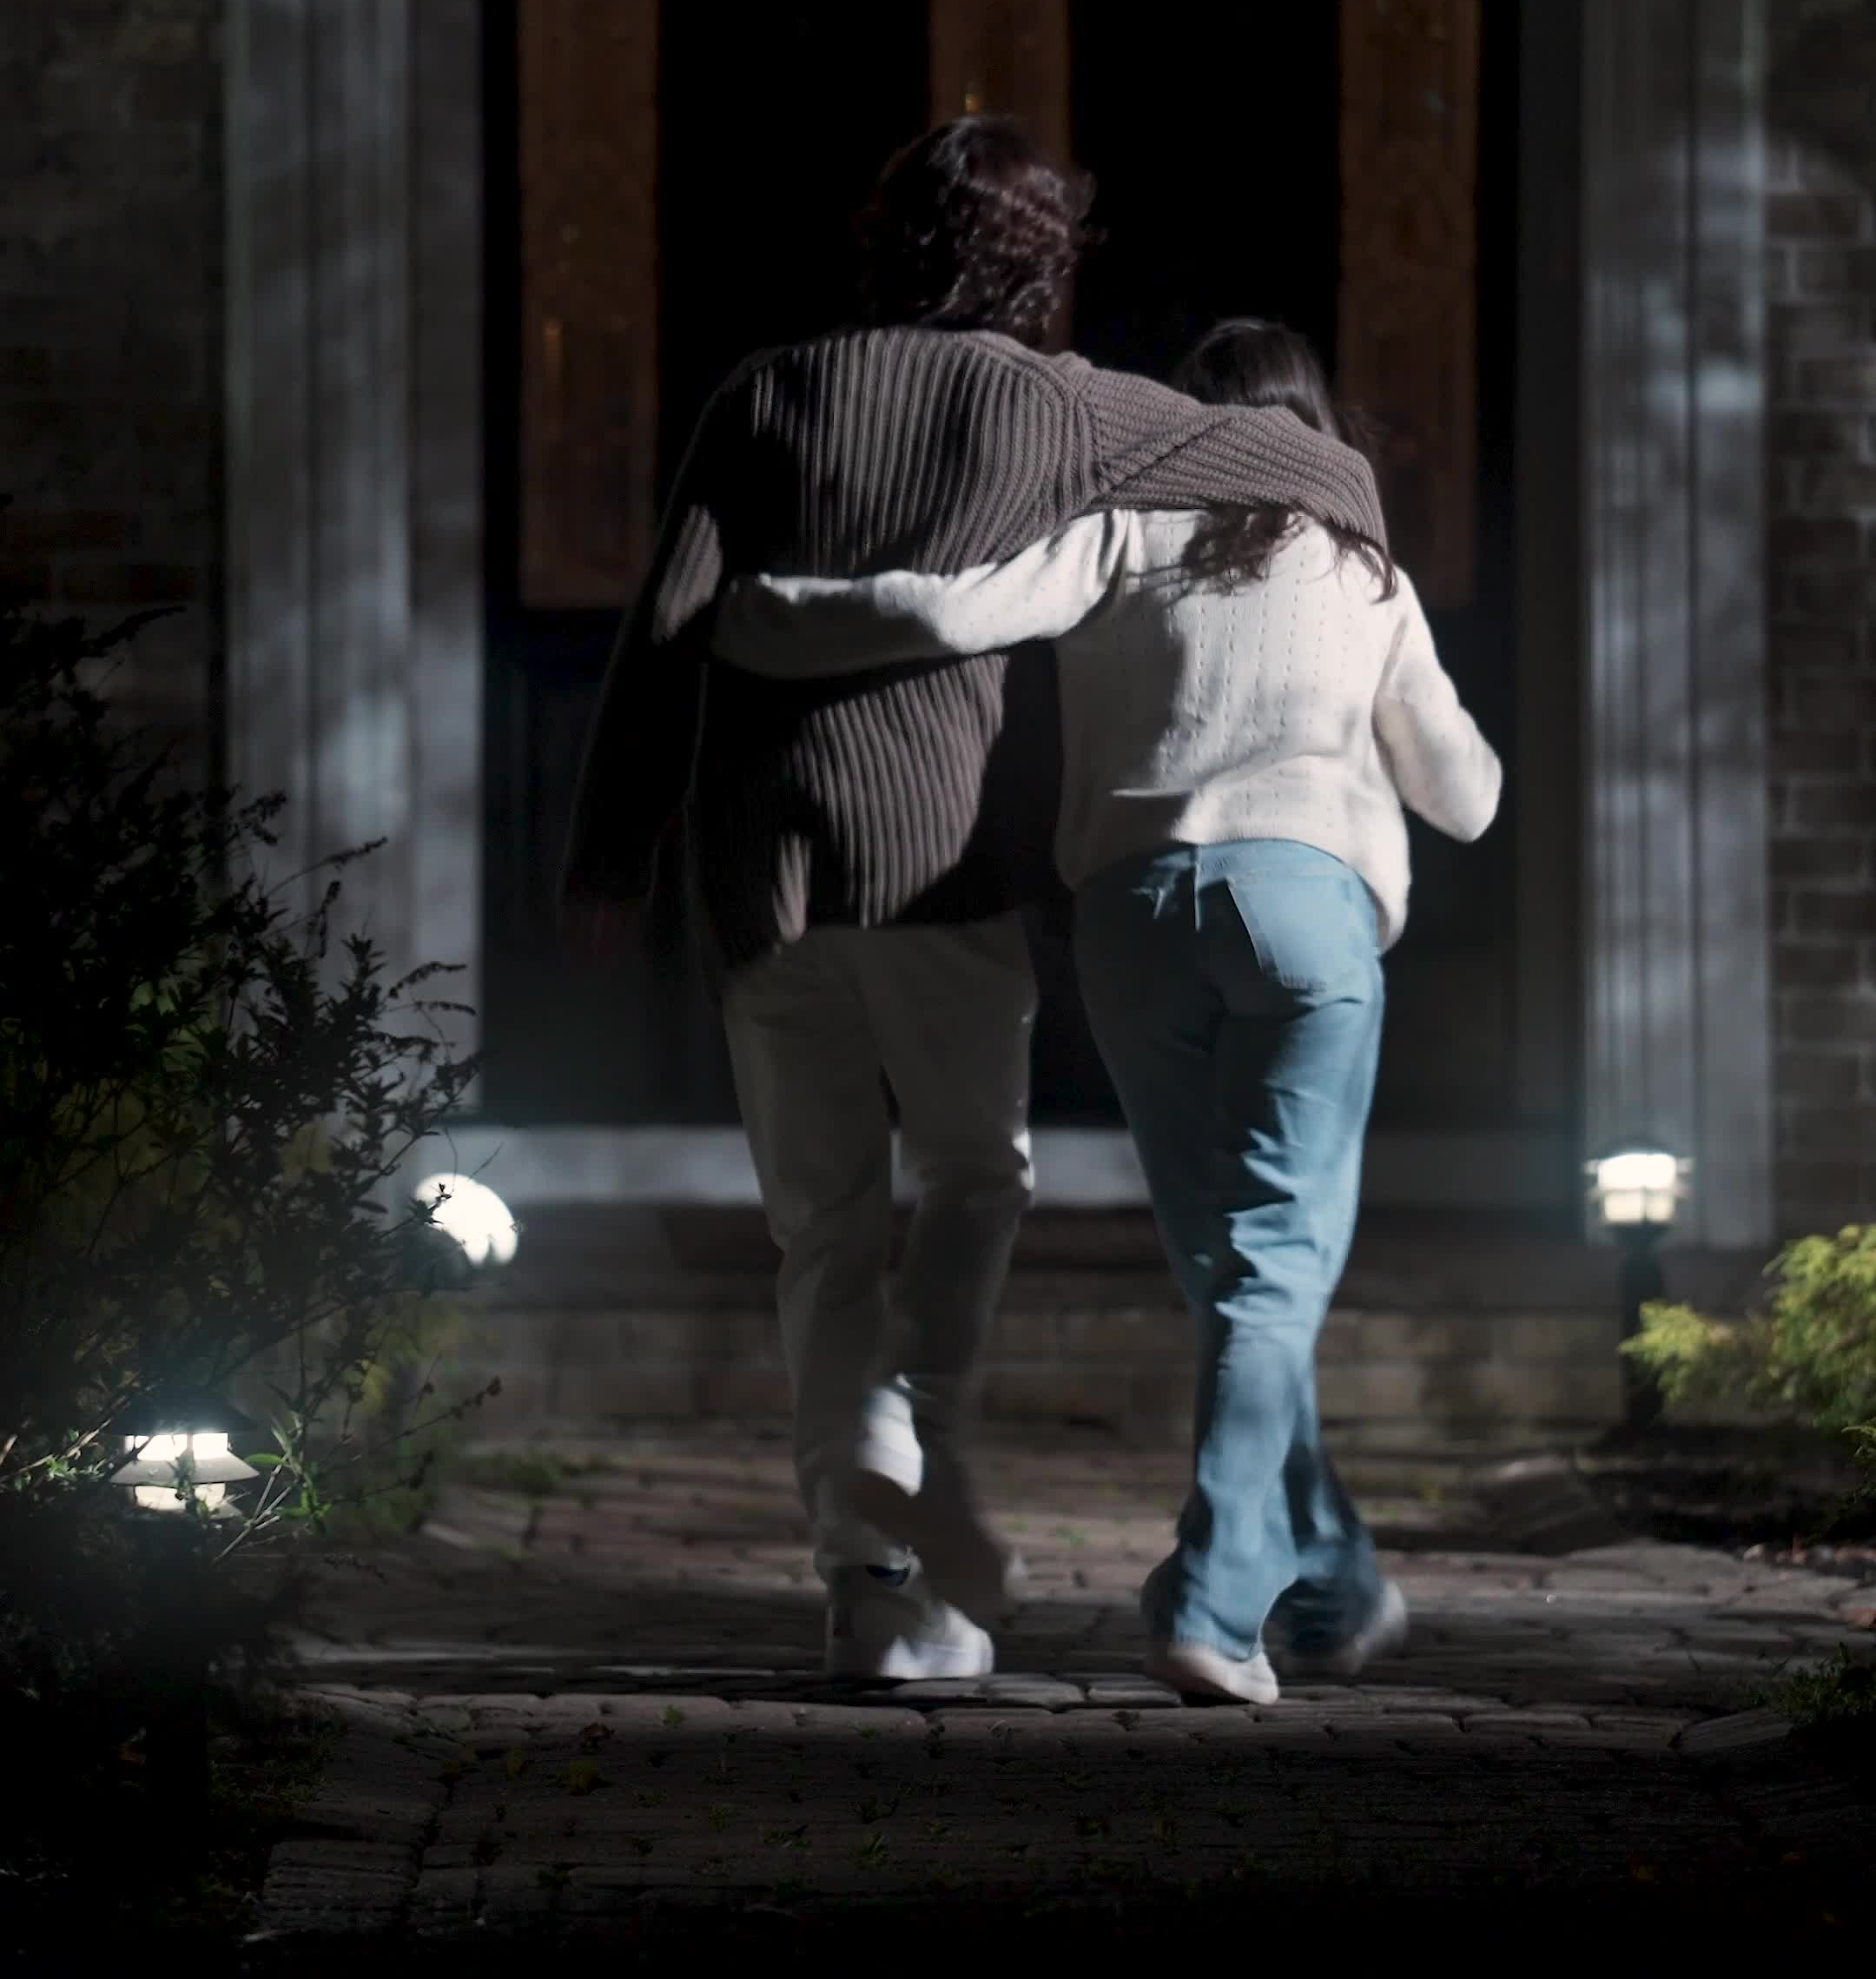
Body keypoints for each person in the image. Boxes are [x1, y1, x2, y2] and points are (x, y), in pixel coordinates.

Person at [560, 130, 1390, 1684]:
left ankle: (874, 1580)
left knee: (821, 1229)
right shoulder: (1059, 403)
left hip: (766, 870)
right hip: (943, 867)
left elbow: (663, 631)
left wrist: (613, 855)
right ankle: (908, 1473)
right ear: (1039, 264)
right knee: (971, 1179)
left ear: (884, 240)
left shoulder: (766, 390)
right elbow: (1314, 467)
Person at [717, 316, 1501, 1702]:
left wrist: (779, 614)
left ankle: (1333, 1571)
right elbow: (1467, 798)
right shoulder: (1361, 562)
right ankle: (1214, 1601)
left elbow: (951, 612)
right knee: (1272, 1272)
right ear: (1318, 428)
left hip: (1136, 924)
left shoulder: (1126, 531)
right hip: (1305, 916)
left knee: (1230, 1274)